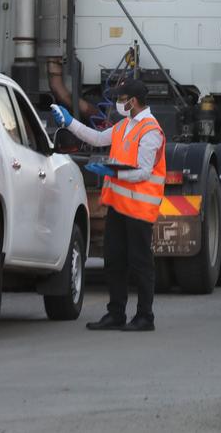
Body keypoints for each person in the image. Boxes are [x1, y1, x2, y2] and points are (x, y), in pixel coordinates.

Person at [51, 79, 165, 331]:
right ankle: (116, 314)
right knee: (114, 260)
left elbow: (144, 172)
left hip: (139, 209)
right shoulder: (125, 125)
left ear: (132, 102)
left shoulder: (150, 131)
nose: (118, 103)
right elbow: (98, 137)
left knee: (140, 262)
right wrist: (69, 122)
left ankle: (145, 316)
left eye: (121, 98)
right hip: (119, 206)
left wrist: (112, 173)